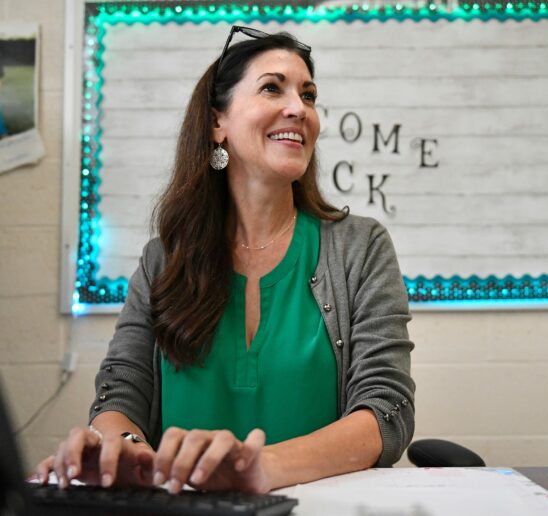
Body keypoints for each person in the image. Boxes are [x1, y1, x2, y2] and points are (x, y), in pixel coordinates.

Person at [37, 26, 415, 495]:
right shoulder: (162, 260)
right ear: (218, 122)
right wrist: (124, 446)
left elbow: (387, 410)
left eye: (309, 95)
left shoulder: (360, 248)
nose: (299, 108)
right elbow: (120, 392)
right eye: (272, 88)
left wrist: (258, 467)